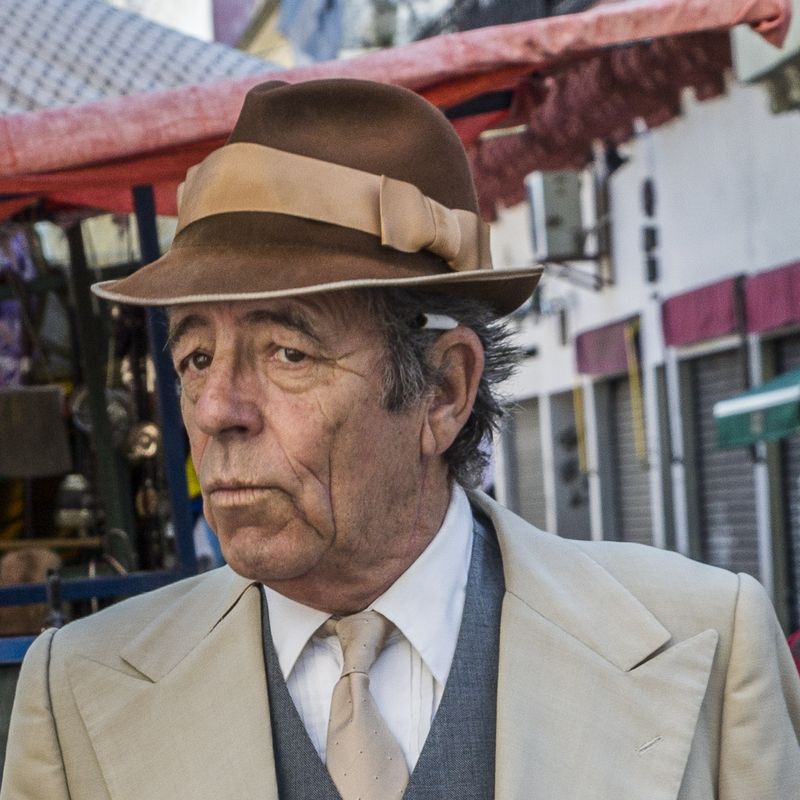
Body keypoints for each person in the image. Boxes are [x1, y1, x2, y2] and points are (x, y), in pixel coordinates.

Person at [3, 79, 799, 800]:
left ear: (444, 391)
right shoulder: (79, 691)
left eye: (288, 353)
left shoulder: (707, 641)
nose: (216, 409)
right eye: (195, 358)